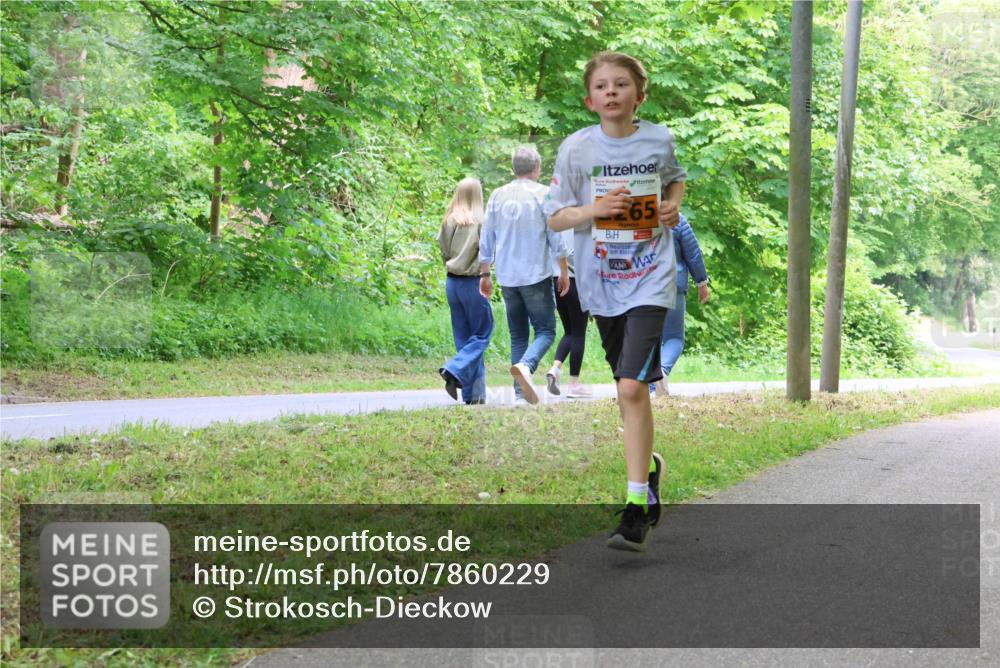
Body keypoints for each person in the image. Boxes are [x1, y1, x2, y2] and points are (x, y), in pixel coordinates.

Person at [544, 51, 686, 552]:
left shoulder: (658, 139)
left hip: (651, 279)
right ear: (589, 99)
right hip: (601, 284)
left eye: (621, 84)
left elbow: (675, 179)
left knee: (630, 388)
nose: (611, 92)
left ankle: (634, 511)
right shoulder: (576, 150)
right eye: (601, 86)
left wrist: (671, 207)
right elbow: (557, 218)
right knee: (630, 393)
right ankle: (647, 474)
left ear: (638, 96)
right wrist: (595, 209)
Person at [479, 147, 569, 405]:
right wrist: (563, 270)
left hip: (507, 276)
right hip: (536, 275)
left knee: (518, 334)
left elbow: (487, 237)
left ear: (514, 169)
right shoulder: (544, 195)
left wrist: (485, 273)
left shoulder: (497, 195)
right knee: (546, 330)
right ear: (537, 169)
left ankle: (520, 395)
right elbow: (556, 238)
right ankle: (527, 366)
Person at [437, 177, 494, 405]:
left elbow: (443, 250)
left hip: (452, 282)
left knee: (464, 339)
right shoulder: (482, 221)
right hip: (473, 282)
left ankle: (474, 396)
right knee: (482, 334)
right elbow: (486, 252)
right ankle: (453, 368)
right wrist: (486, 276)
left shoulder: (449, 220)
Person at [649, 214, 710, 397]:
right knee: (674, 338)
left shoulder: (637, 217)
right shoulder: (677, 219)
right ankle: (662, 372)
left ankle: (653, 385)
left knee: (647, 337)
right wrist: (702, 283)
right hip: (673, 284)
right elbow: (693, 253)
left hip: (644, 287)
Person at [544, 227, 593, 398]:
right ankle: (574, 384)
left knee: (570, 332)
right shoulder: (580, 221)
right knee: (579, 333)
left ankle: (555, 369)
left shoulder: (557, 219)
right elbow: (575, 253)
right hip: (574, 279)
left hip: (556, 279)